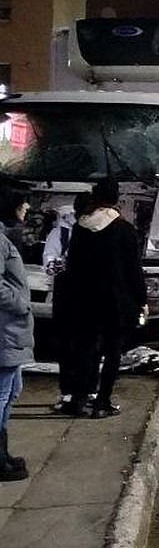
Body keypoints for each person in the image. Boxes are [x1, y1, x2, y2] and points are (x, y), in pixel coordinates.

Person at [64, 178, 145, 419]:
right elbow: (133, 270)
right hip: (115, 301)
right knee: (112, 351)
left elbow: (73, 266)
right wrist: (141, 299)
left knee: (85, 348)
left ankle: (78, 399)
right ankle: (102, 402)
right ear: (116, 199)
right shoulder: (124, 230)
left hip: (85, 299)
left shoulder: (81, 227)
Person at [45, 192, 93, 414]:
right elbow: (50, 265)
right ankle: (68, 392)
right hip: (67, 297)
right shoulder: (61, 233)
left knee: (91, 346)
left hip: (90, 297)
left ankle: (89, 391)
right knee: (67, 345)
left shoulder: (98, 231)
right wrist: (72, 264)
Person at [0, 185, 34, 481]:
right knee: (2, 394)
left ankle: (3, 454)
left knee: (12, 391)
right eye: (23, 204)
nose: (27, 209)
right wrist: (22, 303)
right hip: (5, 330)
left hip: (12, 331)